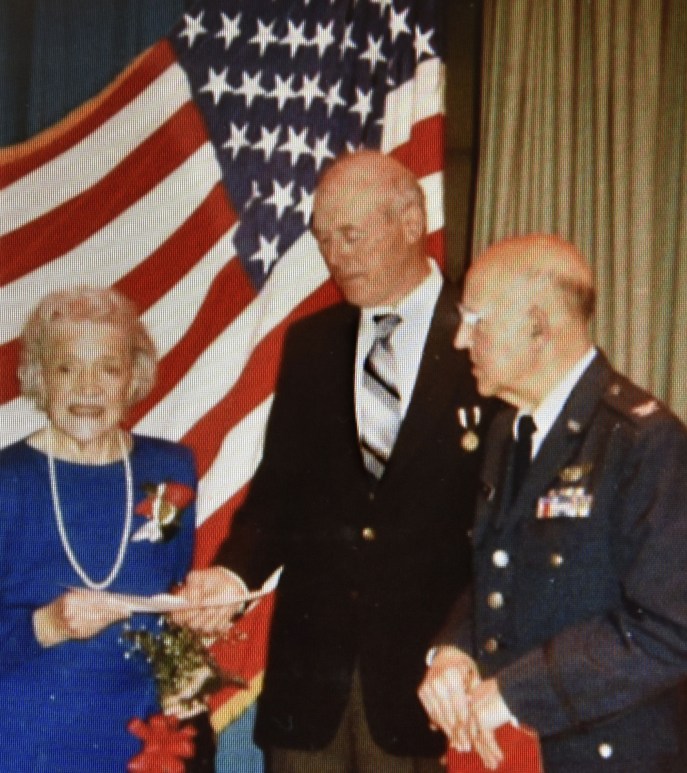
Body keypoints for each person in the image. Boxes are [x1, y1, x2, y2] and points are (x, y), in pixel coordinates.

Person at [174, 150, 495, 772]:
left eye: (350, 233)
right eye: (323, 238)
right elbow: (278, 495)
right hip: (308, 684)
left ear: (410, 220)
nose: (334, 254)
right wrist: (234, 577)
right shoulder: (312, 344)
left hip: (427, 687)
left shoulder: (483, 338)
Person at [417, 235, 687, 772]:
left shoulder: (643, 443)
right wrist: (453, 653)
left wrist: (512, 694)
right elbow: (500, 570)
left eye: (477, 319)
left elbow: (674, 631)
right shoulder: (511, 430)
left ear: (540, 325)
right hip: (516, 755)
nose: (462, 339)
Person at [0, 287, 210, 772]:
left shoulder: (171, 470)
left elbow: (168, 601)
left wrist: (186, 671)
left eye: (108, 369)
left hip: (140, 748)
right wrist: (46, 625)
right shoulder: (8, 482)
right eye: (67, 369)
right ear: (39, 377)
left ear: (134, 377)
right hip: (25, 746)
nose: (88, 389)